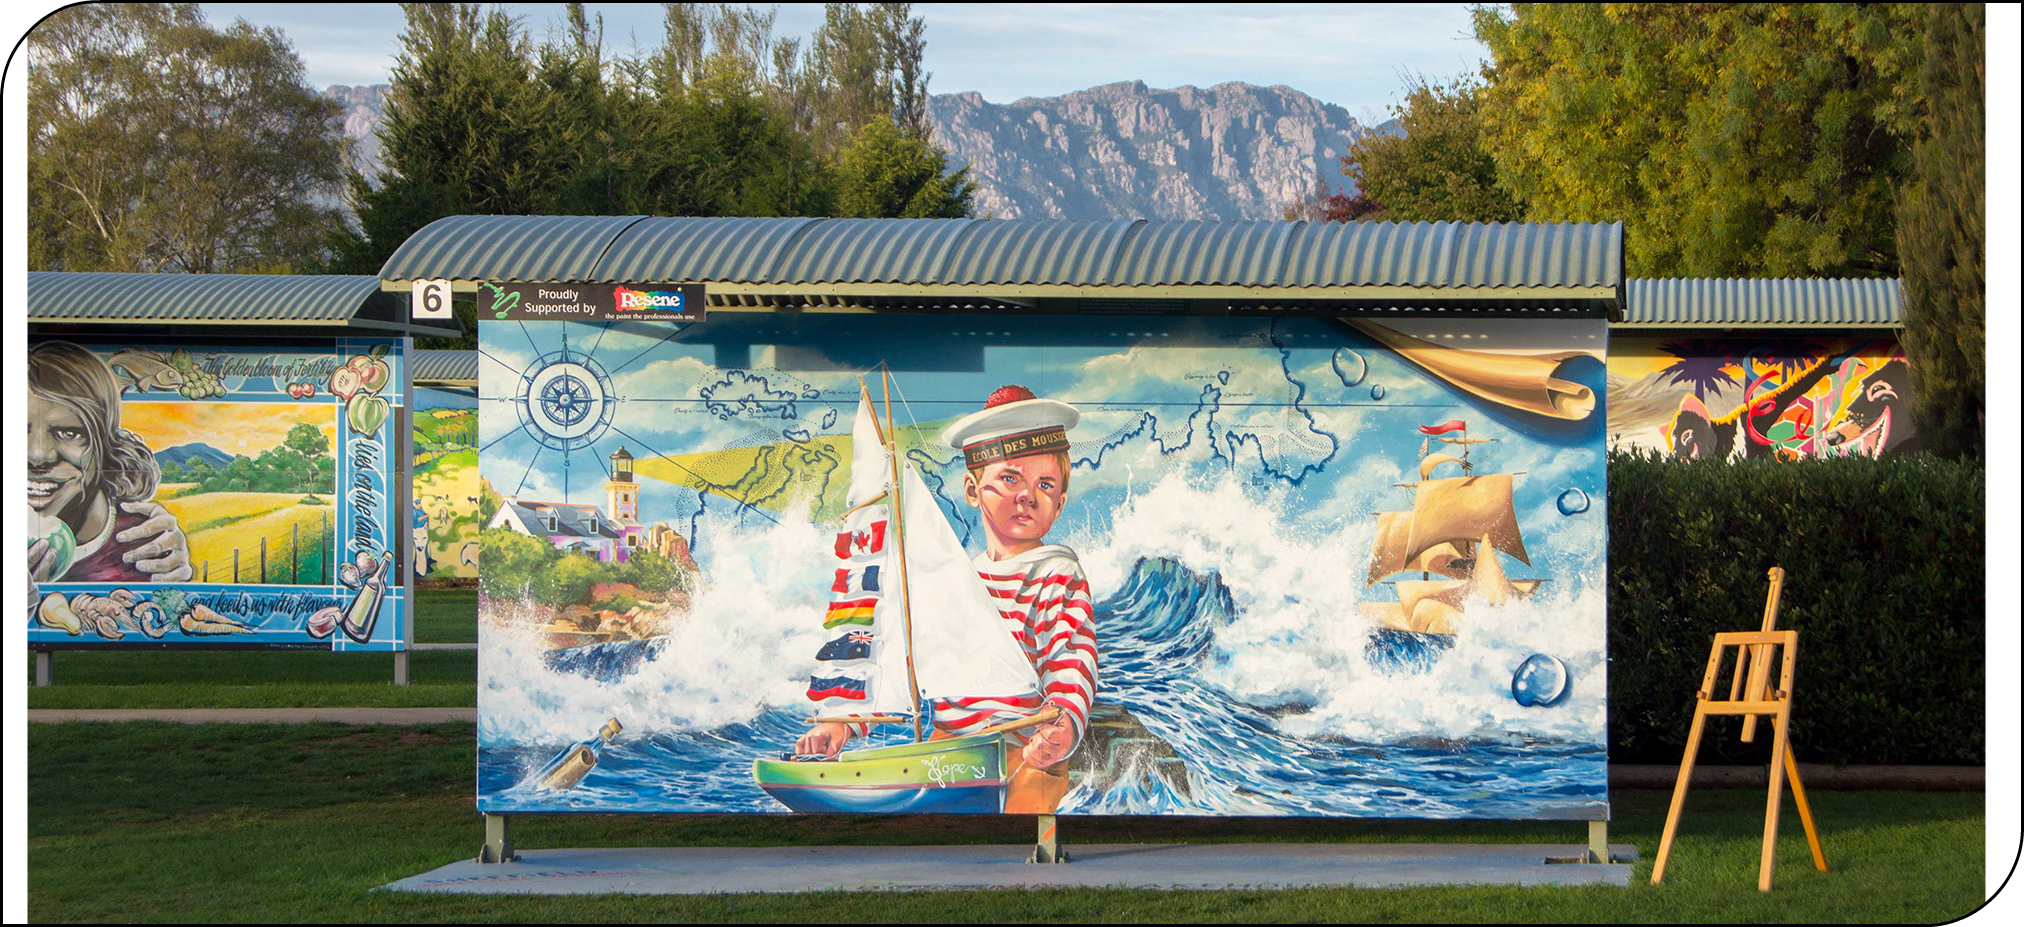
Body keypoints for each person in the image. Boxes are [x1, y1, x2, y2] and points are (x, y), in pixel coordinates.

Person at [797, 385, 1095, 814]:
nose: (1027, 495)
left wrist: (1063, 723)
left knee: (1023, 808)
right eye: (1009, 479)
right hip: (950, 747)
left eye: (1045, 484)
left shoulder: (1057, 575)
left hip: (1025, 748)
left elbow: (1071, 660)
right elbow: (899, 655)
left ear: (1060, 502)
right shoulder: (955, 578)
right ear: (973, 490)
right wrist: (845, 724)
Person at [27, 341, 192, 584]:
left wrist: (180, 585)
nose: (37, 455)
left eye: (69, 433)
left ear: (105, 446)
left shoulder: (145, 545)